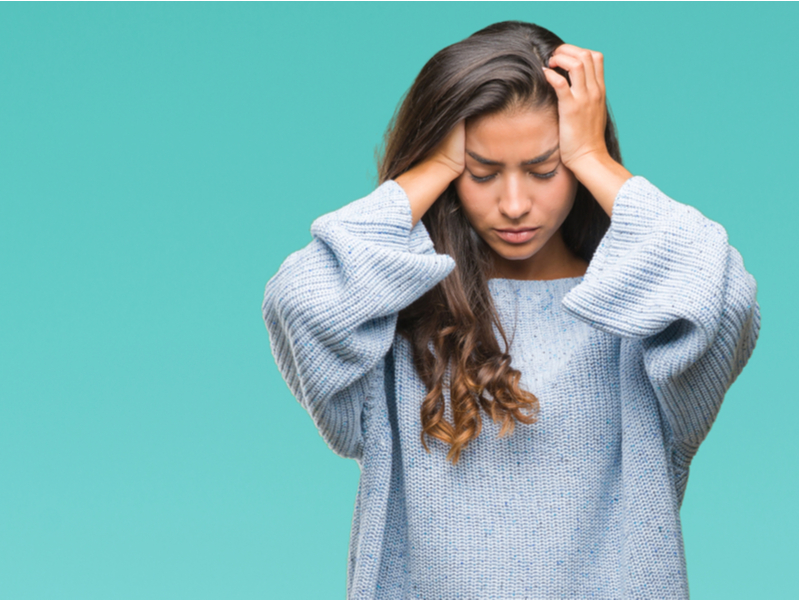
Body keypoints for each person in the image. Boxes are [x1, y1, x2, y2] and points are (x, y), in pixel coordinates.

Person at [261, 20, 761, 600]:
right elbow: (298, 302)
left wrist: (593, 156)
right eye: (482, 172)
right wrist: (429, 170)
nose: (515, 204)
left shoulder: (640, 314)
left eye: (545, 169)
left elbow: (725, 299)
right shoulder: (397, 312)